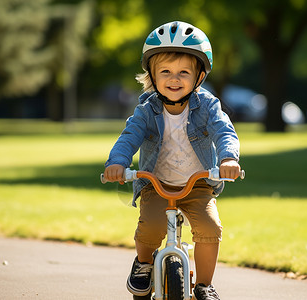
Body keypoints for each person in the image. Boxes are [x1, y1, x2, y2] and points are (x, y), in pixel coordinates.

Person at [103, 21, 240, 300]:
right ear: (152, 75)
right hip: (157, 183)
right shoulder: (146, 110)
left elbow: (224, 131)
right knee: (150, 228)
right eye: (165, 71)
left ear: (199, 77)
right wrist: (117, 162)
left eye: (183, 72)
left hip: (198, 184)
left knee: (210, 228)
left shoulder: (208, 106)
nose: (174, 79)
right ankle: (143, 264)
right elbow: (129, 137)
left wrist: (228, 158)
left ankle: (204, 285)